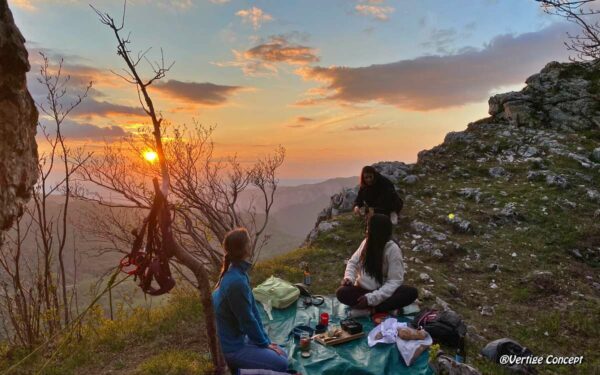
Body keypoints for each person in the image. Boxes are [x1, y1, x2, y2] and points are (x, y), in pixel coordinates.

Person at [212, 228, 289, 372]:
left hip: (240, 338)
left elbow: (253, 309)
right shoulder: (236, 282)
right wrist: (263, 343)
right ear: (245, 248)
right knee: (282, 364)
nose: (251, 243)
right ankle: (241, 371)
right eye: (249, 241)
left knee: (283, 355)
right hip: (232, 348)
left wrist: (265, 342)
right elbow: (247, 319)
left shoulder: (238, 273)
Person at [336, 214, 417, 316]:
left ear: (378, 232)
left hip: (383, 293)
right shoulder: (366, 243)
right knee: (341, 293)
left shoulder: (393, 249)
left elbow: (394, 281)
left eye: (369, 229)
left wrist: (370, 299)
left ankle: (372, 310)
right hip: (362, 291)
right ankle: (386, 308)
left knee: (410, 293)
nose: (367, 231)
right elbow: (352, 263)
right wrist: (349, 278)